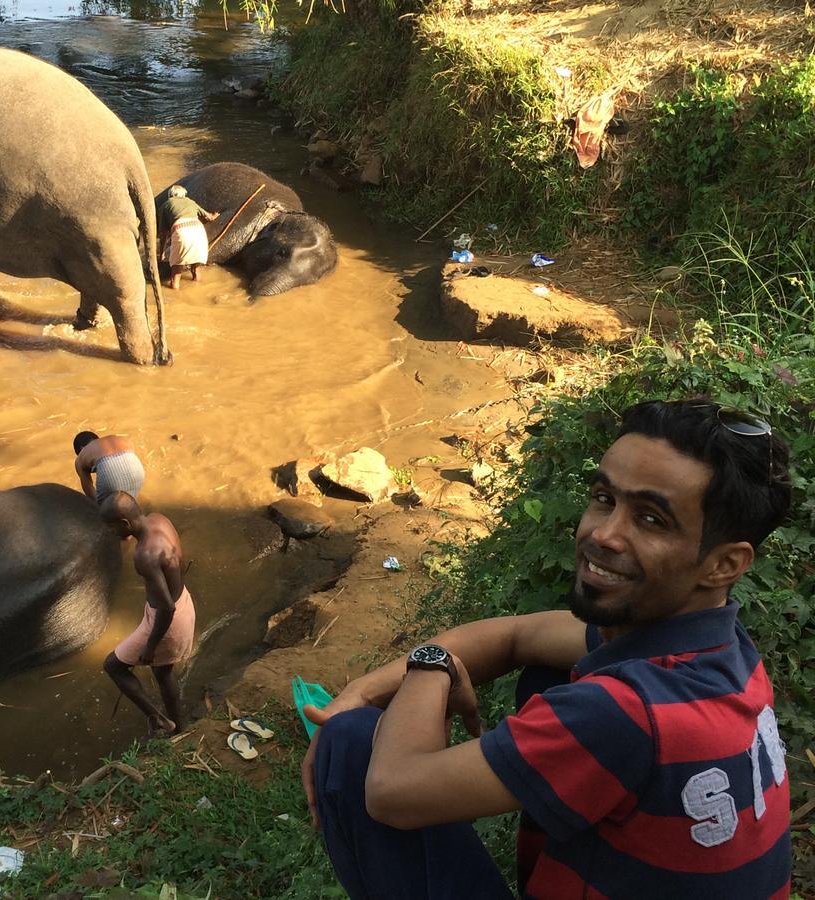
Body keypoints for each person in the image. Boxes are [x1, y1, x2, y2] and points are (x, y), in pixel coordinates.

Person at [303, 399, 793, 898]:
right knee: (548, 670)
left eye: (650, 520)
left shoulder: (627, 712)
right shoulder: (720, 648)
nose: (602, 534)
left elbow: (392, 792)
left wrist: (431, 666)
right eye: (605, 498)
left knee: (353, 745)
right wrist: (363, 690)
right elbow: (517, 636)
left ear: (724, 565)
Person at [99, 491, 195, 735]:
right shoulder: (159, 519)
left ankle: (158, 719)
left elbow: (165, 607)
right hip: (184, 602)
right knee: (163, 674)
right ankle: (179, 728)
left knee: (113, 666)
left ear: (124, 524)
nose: (111, 533)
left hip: (167, 620)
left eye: (112, 528)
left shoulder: (144, 554)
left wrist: (150, 646)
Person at [158, 184, 220, 290]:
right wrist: (216, 215)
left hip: (182, 231)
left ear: (170, 195)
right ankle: (196, 292)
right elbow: (209, 217)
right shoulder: (190, 202)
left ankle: (176, 297)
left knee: (175, 276)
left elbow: (163, 234)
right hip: (199, 232)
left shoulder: (166, 204)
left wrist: (162, 254)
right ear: (183, 195)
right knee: (196, 271)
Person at [74, 431, 145, 505]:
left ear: (81, 448)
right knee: (131, 505)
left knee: (105, 509)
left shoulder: (82, 454)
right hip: (136, 467)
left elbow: (88, 488)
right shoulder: (117, 439)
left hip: (109, 469)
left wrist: (99, 503)